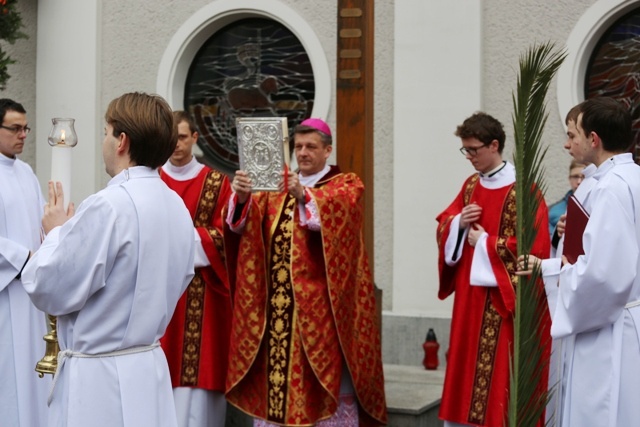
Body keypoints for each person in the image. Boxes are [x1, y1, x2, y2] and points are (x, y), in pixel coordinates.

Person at [21, 92, 196, 427]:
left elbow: (48, 288)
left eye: (106, 131)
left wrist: (56, 232)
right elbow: (182, 276)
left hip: (97, 380)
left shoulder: (109, 205)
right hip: (147, 367)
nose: (103, 140)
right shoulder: (175, 205)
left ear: (122, 141)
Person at [224, 118, 387, 426]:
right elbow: (241, 227)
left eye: (311, 147)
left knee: (323, 385)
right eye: (297, 146)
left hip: (323, 313)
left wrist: (304, 196)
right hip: (277, 311)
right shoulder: (275, 185)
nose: (303, 153)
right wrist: (243, 197)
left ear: (328, 150)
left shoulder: (346, 184)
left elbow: (344, 220)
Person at [518, 97, 640, 427]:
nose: (566, 142)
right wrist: (548, 267)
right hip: (628, 313)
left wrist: (559, 285)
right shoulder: (630, 178)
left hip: (609, 326)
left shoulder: (610, 189)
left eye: (573, 133)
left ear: (594, 139)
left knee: (604, 410)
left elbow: (602, 276)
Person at [436, 112, 551, 427]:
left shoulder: (523, 189)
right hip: (470, 300)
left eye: (474, 150)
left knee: (497, 377)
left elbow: (534, 247)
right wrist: (458, 224)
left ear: (494, 145)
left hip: (502, 303)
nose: (469, 157)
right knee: (465, 369)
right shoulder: (471, 185)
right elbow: (446, 220)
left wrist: (485, 242)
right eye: (466, 150)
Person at [159, 110, 232, 427]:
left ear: (196, 139)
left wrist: (176, 241)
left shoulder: (217, 182)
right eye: (172, 138)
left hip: (204, 296)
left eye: (183, 137)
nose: (177, 145)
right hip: (161, 293)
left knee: (199, 384)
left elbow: (228, 238)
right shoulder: (153, 180)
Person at [0, 98, 49, 426]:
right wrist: (22, 258)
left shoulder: (27, 172)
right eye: (15, 128)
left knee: (30, 378)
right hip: (5, 294)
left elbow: (42, 226)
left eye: (25, 128)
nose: (22, 135)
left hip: (28, 296)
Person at [548, 159, 586, 236]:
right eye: (575, 176)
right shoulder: (551, 211)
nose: (579, 181)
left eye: (583, 177)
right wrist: (557, 234)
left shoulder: (598, 206)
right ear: (569, 179)